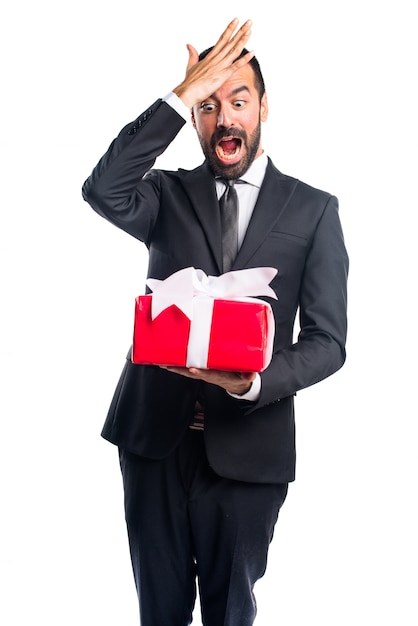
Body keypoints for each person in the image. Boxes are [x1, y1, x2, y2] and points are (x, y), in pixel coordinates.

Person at [82, 17, 349, 626]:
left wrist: (252, 382)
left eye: (238, 100)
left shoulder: (314, 210)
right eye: (207, 105)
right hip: (154, 443)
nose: (223, 118)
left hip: (249, 451)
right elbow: (102, 190)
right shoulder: (164, 197)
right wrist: (178, 97)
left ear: (263, 108)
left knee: (231, 615)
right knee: (160, 613)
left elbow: (329, 342)